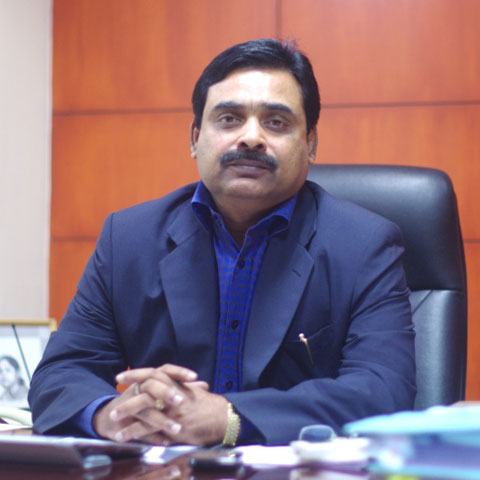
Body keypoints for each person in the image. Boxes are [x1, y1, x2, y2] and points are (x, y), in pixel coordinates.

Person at [29, 38, 416, 446]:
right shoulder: (128, 238)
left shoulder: (364, 245)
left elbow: (384, 391)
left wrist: (229, 419)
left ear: (311, 144)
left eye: (276, 122)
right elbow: (60, 373)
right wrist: (110, 415)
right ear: (195, 138)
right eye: (229, 119)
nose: (251, 138)